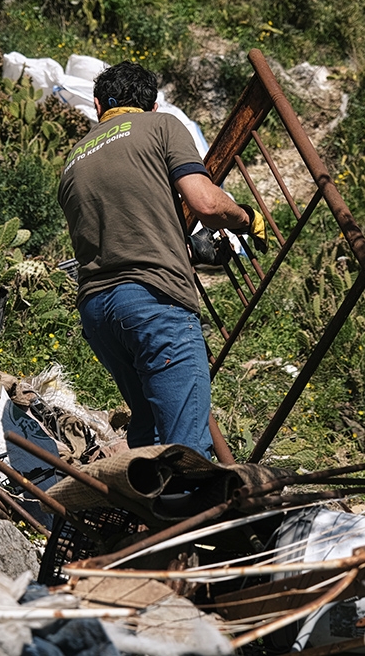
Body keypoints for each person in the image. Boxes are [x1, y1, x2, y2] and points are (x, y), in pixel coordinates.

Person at [57, 61, 267, 459]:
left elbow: (120, 232)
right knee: (184, 449)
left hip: (97, 312)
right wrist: (245, 217)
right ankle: (191, 517)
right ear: (152, 106)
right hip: (152, 303)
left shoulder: (72, 161)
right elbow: (204, 202)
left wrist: (186, 249)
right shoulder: (162, 126)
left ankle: (149, 517)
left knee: (149, 434)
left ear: (99, 105)